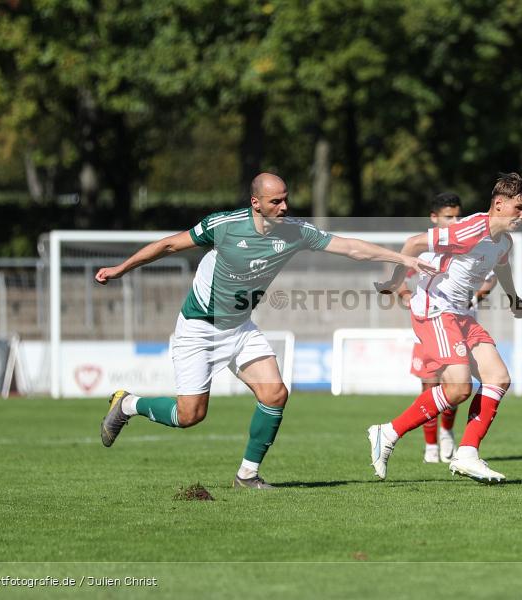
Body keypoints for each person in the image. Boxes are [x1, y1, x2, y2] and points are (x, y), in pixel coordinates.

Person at [96, 172, 436, 488]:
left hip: (239, 329)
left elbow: (350, 247)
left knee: (275, 394)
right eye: (276, 202)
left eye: (286, 199)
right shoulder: (224, 225)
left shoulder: (295, 231)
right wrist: (121, 269)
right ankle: (128, 405)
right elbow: (169, 245)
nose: (284, 207)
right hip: (198, 329)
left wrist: (402, 259)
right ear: (255, 203)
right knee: (190, 415)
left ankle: (248, 474)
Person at [369, 172, 522, 483]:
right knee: (459, 388)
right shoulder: (469, 229)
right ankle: (388, 433)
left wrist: (513, 298)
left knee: (499, 378)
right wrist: (396, 281)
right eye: (519, 208)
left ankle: (467, 453)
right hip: (435, 310)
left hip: (461, 315)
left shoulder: (503, 242)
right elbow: (414, 243)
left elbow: (503, 266)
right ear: (499, 204)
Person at [397, 192, 497, 464]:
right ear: (434, 218)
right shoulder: (426, 247)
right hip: (431, 320)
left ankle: (447, 433)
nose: (454, 221)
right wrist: (407, 297)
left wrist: (477, 296)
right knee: (430, 383)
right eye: (448, 217)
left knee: (456, 384)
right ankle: (430, 445)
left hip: (460, 321)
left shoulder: (471, 241)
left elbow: (490, 279)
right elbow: (397, 279)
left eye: (458, 216)